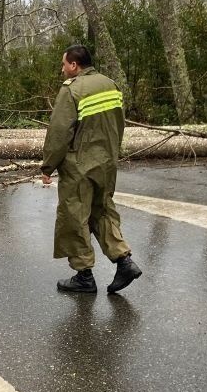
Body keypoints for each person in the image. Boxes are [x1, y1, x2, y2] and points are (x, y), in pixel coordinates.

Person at [40, 45, 142, 294]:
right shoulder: (111, 84)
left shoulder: (72, 89)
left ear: (74, 65)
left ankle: (84, 275)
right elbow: (119, 124)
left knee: (74, 216)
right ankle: (124, 261)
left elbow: (59, 132)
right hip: (107, 162)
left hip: (79, 165)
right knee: (103, 211)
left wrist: (48, 165)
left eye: (64, 64)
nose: (62, 69)